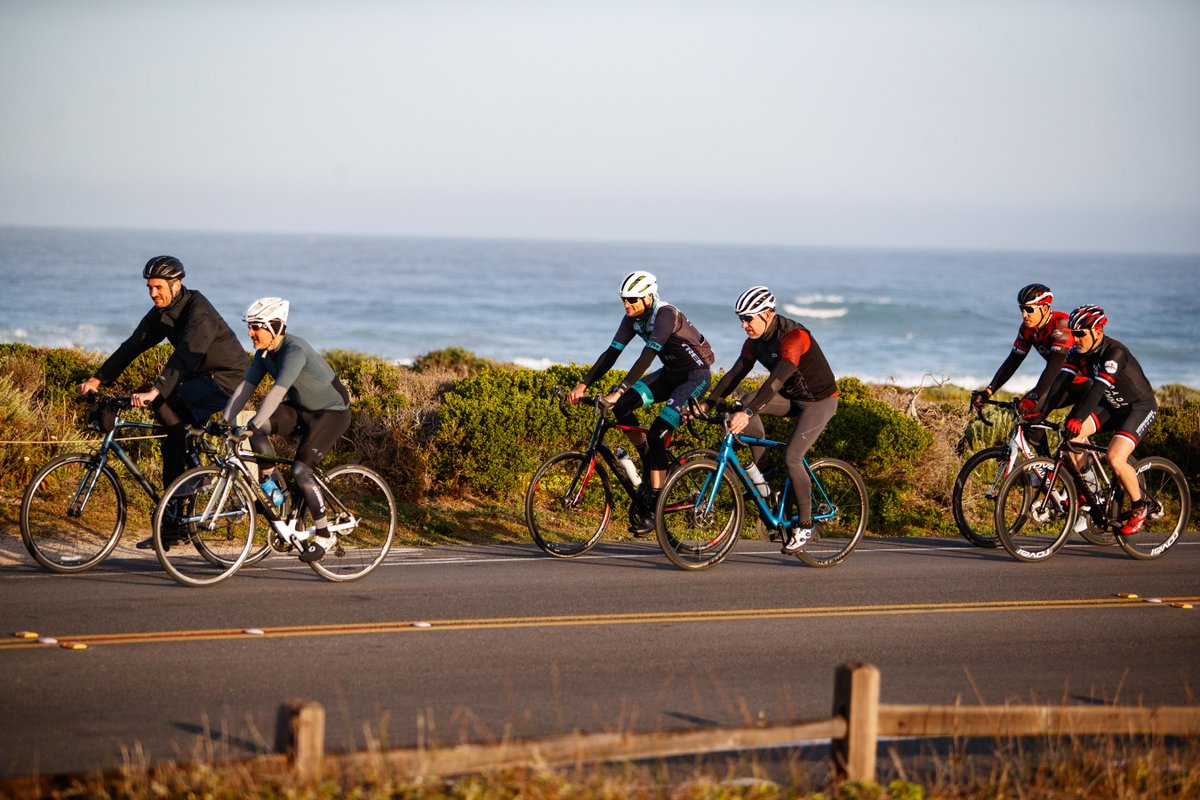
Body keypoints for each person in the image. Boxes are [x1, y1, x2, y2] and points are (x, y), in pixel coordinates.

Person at [77, 256, 247, 549]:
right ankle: (173, 527)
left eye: (158, 287)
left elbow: (186, 356)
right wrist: (97, 379)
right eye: (149, 288)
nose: (153, 293)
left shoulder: (199, 312)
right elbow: (133, 345)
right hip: (197, 379)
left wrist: (156, 390)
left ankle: (195, 472)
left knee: (166, 407)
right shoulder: (162, 311)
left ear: (176, 284)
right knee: (172, 443)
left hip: (227, 380)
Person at [567, 271, 714, 535]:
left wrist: (620, 389)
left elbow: (648, 355)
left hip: (695, 377)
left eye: (633, 300)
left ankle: (655, 506)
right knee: (623, 408)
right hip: (670, 375)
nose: (627, 305)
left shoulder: (665, 314)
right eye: (624, 300)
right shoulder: (632, 318)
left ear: (648, 297)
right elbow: (612, 352)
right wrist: (583, 383)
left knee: (657, 430)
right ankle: (648, 457)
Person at [697, 286, 839, 554]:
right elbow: (737, 372)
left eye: (748, 318)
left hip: (819, 402)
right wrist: (710, 401)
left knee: (793, 457)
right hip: (791, 397)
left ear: (767, 314)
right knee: (745, 399)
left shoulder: (794, 336)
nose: (743, 325)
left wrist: (749, 413)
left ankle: (806, 525)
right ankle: (764, 473)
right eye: (740, 318)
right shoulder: (754, 341)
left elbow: (778, 379)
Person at [219, 298, 352, 562]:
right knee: (255, 430)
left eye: (256, 327)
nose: (250, 333)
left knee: (302, 470)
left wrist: (253, 424)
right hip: (302, 409)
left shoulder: (295, 350)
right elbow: (246, 388)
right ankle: (274, 488)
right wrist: (226, 421)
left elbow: (278, 392)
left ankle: (324, 535)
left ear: (275, 326)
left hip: (331, 413)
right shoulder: (264, 355)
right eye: (250, 326)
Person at [1053, 304, 1158, 535]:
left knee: (1114, 457)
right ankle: (1090, 495)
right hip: (1112, 407)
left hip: (1138, 407)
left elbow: (1098, 389)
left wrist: (1078, 418)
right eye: (1073, 333)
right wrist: (1038, 410)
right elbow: (1060, 383)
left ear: (1097, 332)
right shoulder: (1077, 353)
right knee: (1072, 440)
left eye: (1081, 334)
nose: (1076, 339)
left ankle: (1141, 507)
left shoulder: (1114, 353)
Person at [971, 283, 1085, 451]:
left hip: (1085, 384)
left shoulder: (1061, 324)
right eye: (1022, 309)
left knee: (1070, 435)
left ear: (1045, 308)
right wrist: (989, 390)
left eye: (1029, 310)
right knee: (1028, 417)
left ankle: (1086, 475)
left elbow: (1055, 367)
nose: (1024, 315)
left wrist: (1034, 395)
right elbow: (1013, 360)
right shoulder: (1028, 329)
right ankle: (1046, 467)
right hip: (1063, 383)